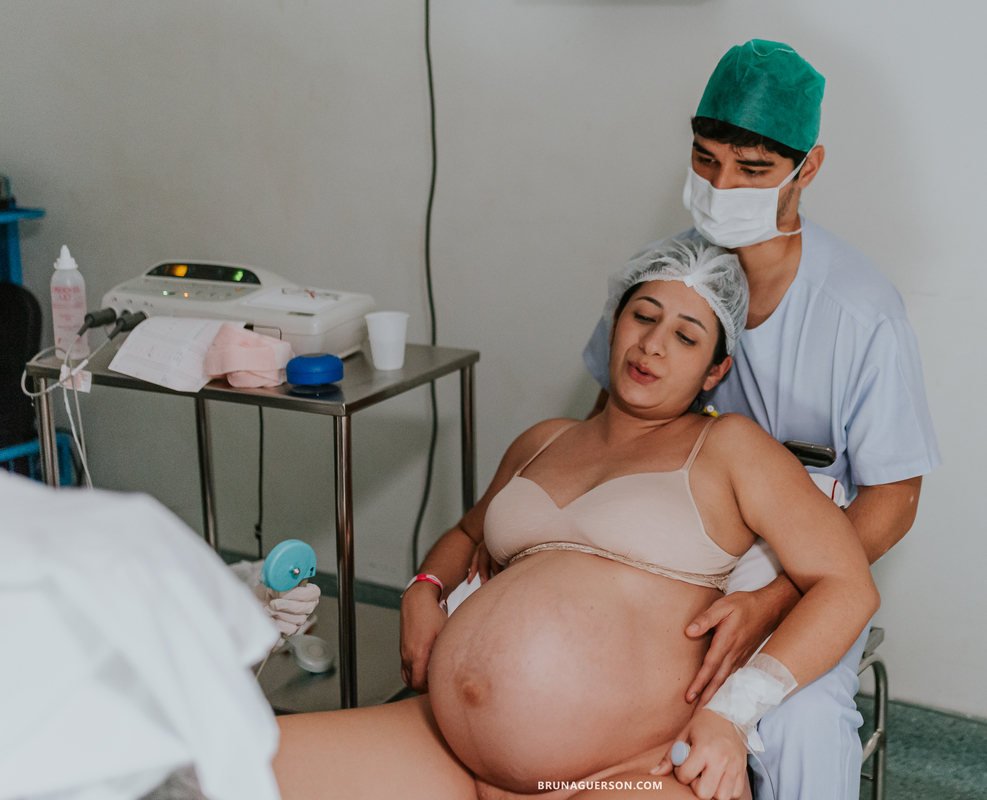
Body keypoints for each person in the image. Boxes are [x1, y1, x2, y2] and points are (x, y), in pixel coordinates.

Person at [275, 238, 879, 800]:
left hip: (627, 775)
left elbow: (847, 586)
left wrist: (733, 715)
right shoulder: (544, 440)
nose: (653, 345)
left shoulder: (732, 449)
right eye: (643, 317)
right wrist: (422, 591)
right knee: (240, 766)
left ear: (714, 372)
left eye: (686, 336)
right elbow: (465, 533)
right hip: (447, 746)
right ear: (614, 325)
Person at [578, 41, 942, 800]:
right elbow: (605, 423)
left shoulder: (859, 313)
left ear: (807, 169)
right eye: (705, 160)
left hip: (804, 567)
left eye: (751, 169)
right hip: (671, 543)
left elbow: (895, 499)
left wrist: (774, 599)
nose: (720, 188)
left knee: (799, 722)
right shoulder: (666, 279)